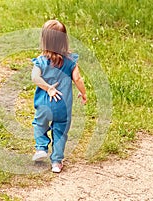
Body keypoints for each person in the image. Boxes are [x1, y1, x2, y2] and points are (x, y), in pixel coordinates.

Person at [31, 19, 87, 173]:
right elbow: (77, 79)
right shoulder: (71, 62)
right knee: (60, 133)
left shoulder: (41, 62)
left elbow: (35, 78)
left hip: (43, 106)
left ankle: (41, 147)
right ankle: (56, 162)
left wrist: (48, 88)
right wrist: (83, 93)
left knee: (39, 125)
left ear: (44, 39)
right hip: (63, 107)